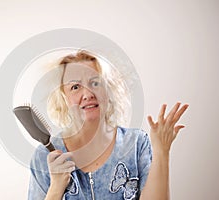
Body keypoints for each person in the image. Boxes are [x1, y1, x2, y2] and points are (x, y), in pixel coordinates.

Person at [28, 50, 188, 200]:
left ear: (108, 90)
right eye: (75, 87)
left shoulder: (136, 143)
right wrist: (56, 186)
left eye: (95, 83)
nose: (87, 94)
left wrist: (161, 151)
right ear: (64, 98)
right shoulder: (44, 156)